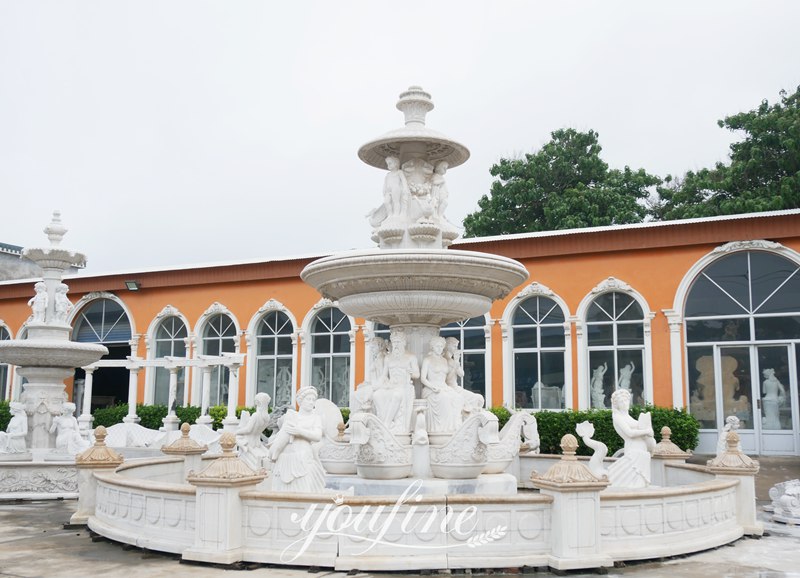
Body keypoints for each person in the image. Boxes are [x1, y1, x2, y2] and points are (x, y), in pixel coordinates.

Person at [269, 386, 326, 493]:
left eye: (313, 400)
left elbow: (317, 436)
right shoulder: (291, 416)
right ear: (300, 401)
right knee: (281, 491)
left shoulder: (315, 417)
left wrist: (299, 432)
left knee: (302, 488)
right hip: (285, 456)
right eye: (308, 399)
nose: (311, 402)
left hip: (302, 456)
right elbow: (282, 434)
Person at [606, 389, 655, 489]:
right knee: (633, 479)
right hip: (633, 448)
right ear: (617, 404)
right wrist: (646, 431)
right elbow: (630, 433)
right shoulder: (617, 417)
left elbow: (646, 430)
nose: (625, 403)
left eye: (626, 400)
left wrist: (649, 430)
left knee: (640, 480)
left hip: (642, 449)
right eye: (621, 401)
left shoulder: (629, 417)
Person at [373, 330, 418, 433]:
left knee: (396, 395)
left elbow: (417, 374)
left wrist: (411, 373)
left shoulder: (411, 357)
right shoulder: (388, 358)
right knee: (377, 395)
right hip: (391, 385)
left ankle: (387, 424)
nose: (396, 345)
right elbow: (384, 375)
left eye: (398, 342)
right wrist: (377, 385)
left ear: (404, 343)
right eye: (394, 342)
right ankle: (384, 421)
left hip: (404, 386)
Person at [420, 336, 463, 433]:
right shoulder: (428, 360)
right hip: (431, 389)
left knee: (458, 398)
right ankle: (443, 429)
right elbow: (423, 379)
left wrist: (456, 363)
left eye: (441, 346)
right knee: (445, 398)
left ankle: (455, 427)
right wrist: (432, 387)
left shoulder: (444, 360)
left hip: (444, 387)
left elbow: (449, 377)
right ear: (433, 347)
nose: (439, 349)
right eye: (437, 346)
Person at [236, 392, 271, 469]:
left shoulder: (256, 415)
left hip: (249, 442)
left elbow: (248, 430)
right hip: (258, 442)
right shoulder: (267, 417)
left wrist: (236, 432)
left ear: (257, 403)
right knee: (265, 457)